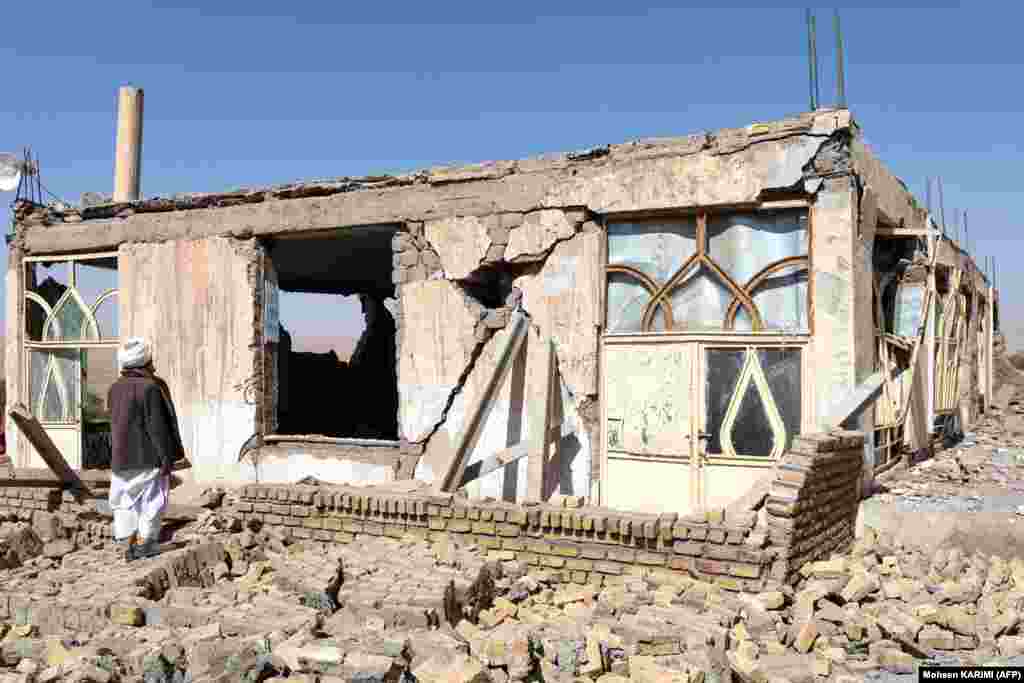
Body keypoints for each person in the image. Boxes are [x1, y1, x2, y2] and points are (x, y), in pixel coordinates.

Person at [107, 338, 185, 561]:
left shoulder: (114, 388)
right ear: (143, 364)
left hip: (121, 459)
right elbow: (157, 427)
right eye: (151, 362)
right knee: (153, 501)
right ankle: (145, 544)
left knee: (124, 502)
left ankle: (128, 544)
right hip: (148, 457)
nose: (154, 366)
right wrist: (167, 459)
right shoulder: (150, 388)